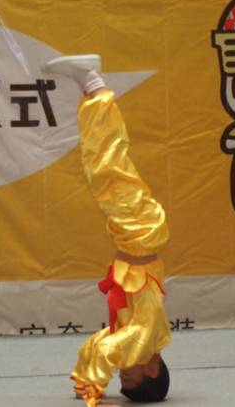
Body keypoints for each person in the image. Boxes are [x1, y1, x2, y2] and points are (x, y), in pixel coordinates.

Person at [43, 55, 171, 406]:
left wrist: (85, 382)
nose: (122, 372)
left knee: (99, 167)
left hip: (133, 238)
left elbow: (97, 346)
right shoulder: (144, 339)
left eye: (120, 378)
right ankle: (93, 82)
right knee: (109, 165)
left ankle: (88, 87)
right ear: (153, 369)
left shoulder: (136, 338)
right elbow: (110, 350)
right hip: (141, 233)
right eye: (129, 375)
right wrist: (95, 392)